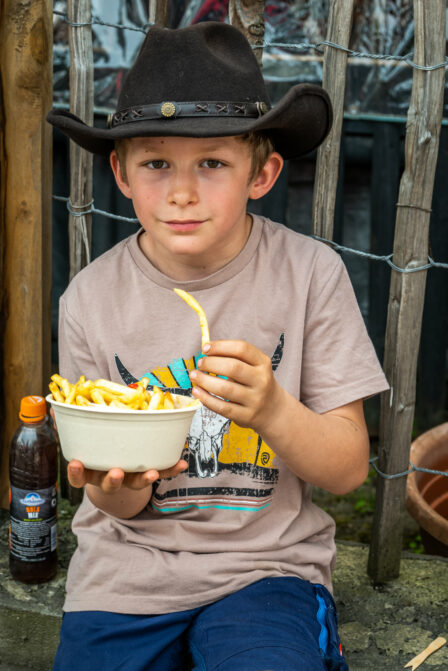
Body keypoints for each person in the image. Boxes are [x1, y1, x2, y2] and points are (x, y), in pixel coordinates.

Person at [47, 21, 389, 671]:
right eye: (156, 163)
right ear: (121, 172)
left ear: (262, 173)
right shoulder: (90, 299)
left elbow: (348, 470)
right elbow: (118, 503)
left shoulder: (310, 276)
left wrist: (274, 410)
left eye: (212, 163)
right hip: (127, 574)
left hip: (267, 570)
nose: (182, 192)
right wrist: (115, 482)